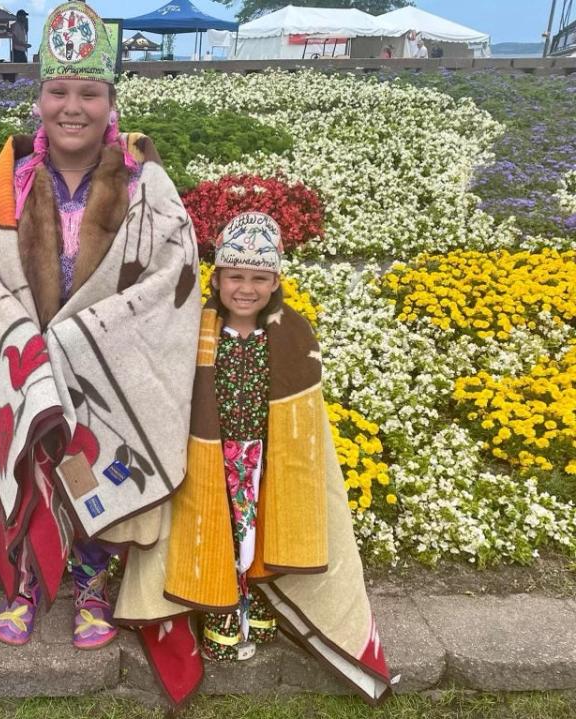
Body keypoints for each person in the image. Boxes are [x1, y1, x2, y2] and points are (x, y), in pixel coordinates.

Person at [0, 0, 202, 653]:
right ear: (39, 98)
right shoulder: (10, 178)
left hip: (105, 363)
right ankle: (29, 586)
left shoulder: (143, 179)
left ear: (110, 100)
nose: (73, 106)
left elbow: (174, 265)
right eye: (59, 90)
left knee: (93, 466)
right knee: (35, 466)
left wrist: (93, 333)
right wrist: (17, 331)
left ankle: (92, 585)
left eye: (89, 92)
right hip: (31, 360)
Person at [113, 211, 394, 705]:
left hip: (267, 457)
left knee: (256, 528)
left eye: (258, 278)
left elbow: (305, 412)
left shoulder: (293, 333)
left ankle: (255, 599)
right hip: (206, 456)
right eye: (234, 276)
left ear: (275, 281)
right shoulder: (194, 331)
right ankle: (218, 603)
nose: (245, 288)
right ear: (216, 278)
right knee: (214, 527)